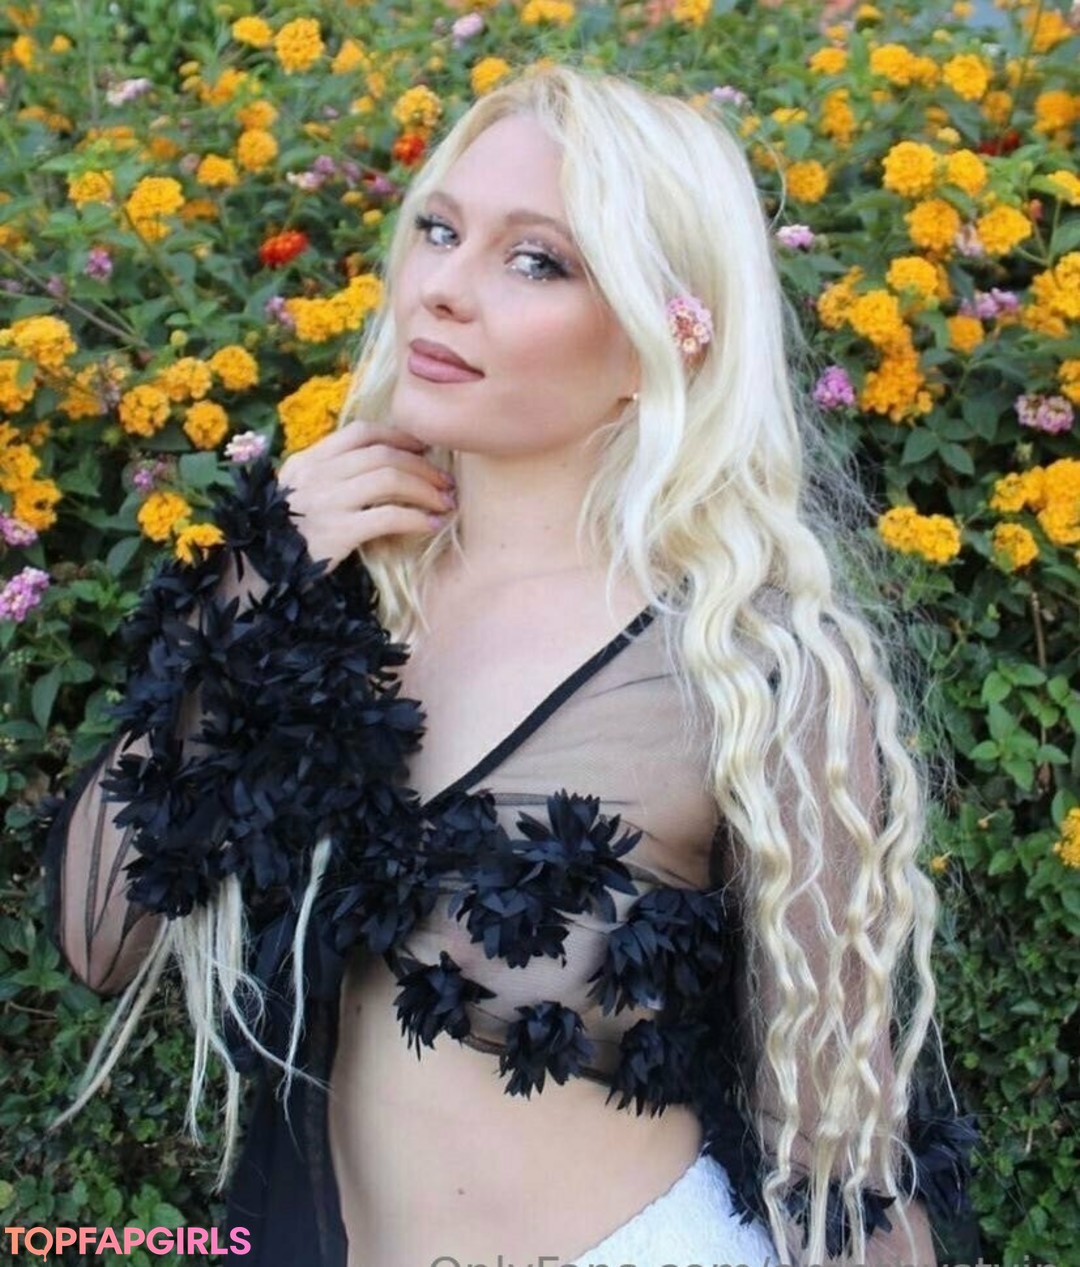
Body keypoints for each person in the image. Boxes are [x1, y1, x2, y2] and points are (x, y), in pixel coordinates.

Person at [45, 65, 975, 1267]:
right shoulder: (334, 592)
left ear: (661, 336)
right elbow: (100, 935)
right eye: (439, 230)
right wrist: (254, 584)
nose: (443, 287)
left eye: (536, 260)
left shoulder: (747, 665)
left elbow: (839, 1140)